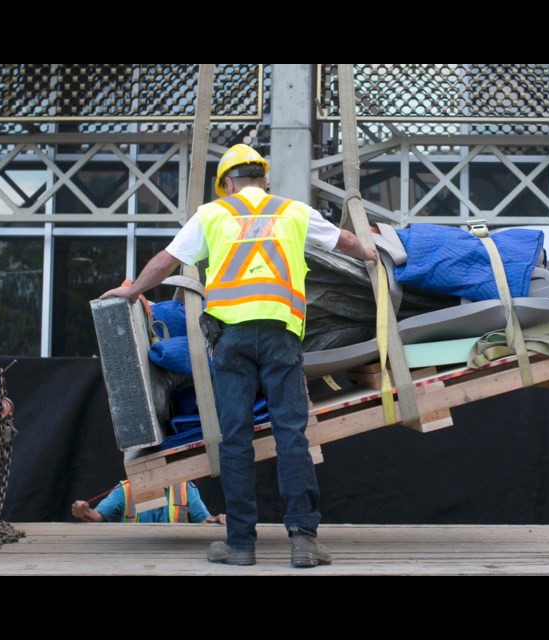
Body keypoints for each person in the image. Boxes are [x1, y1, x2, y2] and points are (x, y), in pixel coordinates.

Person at [100, 144, 376, 568]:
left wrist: (132, 290)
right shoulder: (291, 211)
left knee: (235, 441)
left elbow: (166, 260)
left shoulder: (213, 215)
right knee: (291, 437)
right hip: (281, 336)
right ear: (263, 180)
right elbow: (345, 241)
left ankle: (241, 544)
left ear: (227, 184)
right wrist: (374, 256)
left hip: (231, 342)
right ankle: (303, 541)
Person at [71, 480, 226, 524]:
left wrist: (216, 519)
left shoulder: (185, 487)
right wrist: (85, 511)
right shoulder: (125, 489)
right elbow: (99, 516)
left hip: (175, 560)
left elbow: (203, 521)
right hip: (133, 558)